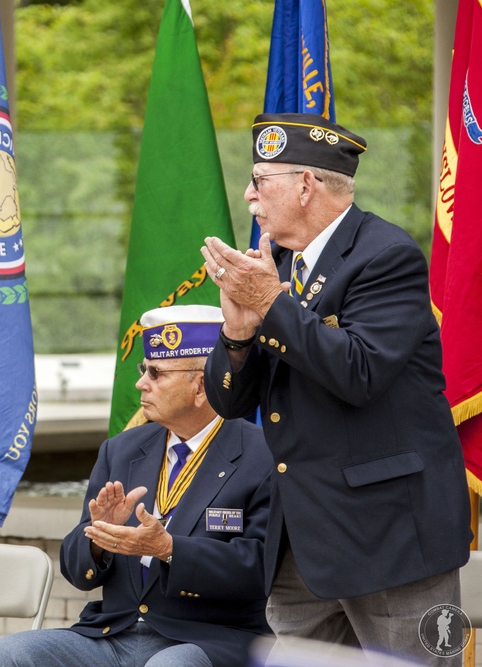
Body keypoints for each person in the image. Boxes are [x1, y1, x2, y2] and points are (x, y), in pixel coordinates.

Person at [200, 112, 472, 664]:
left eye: (260, 181)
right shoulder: (272, 264)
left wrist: (271, 304)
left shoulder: (385, 256)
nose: (249, 196)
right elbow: (230, 402)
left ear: (306, 185)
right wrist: (236, 331)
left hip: (391, 535)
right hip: (303, 539)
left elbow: (359, 371)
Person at [0, 305, 273, 667]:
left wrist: (170, 550)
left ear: (200, 385)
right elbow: (77, 573)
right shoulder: (122, 449)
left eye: (155, 373)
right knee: (10, 654)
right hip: (113, 633)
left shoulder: (262, 454)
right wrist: (96, 537)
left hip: (203, 637)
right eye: (143, 370)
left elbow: (260, 569)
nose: (140, 383)